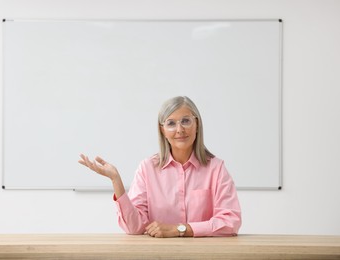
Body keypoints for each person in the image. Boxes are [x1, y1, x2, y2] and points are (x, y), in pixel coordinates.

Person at [78, 96, 241, 238]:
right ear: (162, 130)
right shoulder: (147, 168)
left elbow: (230, 221)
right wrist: (116, 181)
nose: (180, 130)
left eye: (186, 121)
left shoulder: (216, 168)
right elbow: (134, 227)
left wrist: (179, 229)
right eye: (171, 123)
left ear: (196, 124)